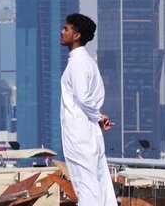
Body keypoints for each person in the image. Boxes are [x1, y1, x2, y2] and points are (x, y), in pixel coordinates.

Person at [59, 13, 116, 206]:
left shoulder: (78, 62)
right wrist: (98, 116)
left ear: (76, 35)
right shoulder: (88, 62)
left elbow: (83, 97)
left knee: (86, 186)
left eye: (66, 29)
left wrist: (98, 116)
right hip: (89, 132)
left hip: (80, 133)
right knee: (99, 184)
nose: (62, 31)